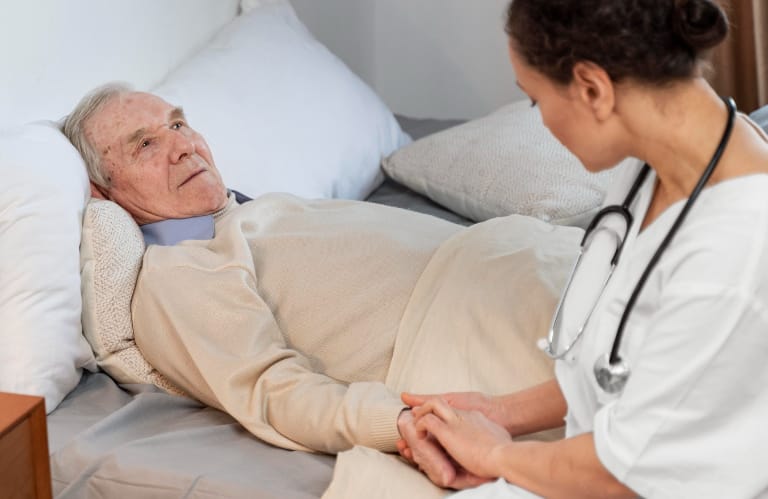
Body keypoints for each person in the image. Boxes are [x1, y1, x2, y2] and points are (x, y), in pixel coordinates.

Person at [60, 83, 572, 455]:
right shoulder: (178, 269)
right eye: (145, 144)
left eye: (177, 123)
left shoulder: (245, 214)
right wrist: (398, 423)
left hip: (520, 262)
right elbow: (270, 390)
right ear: (103, 192)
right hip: (478, 324)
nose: (183, 145)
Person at [396, 0, 768, 498]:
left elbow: (621, 478)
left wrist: (493, 454)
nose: (540, 120)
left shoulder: (733, 254)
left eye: (535, 100)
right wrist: (498, 413)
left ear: (592, 88)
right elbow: (624, 364)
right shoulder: (653, 164)